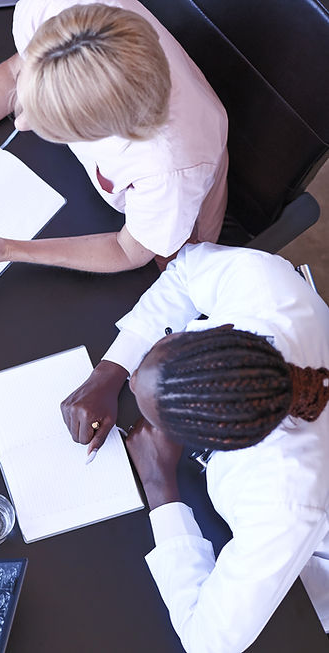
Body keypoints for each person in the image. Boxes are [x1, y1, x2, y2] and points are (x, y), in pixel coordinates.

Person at [60, 243, 329, 652]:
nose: (134, 385)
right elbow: (185, 272)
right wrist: (112, 371)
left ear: (215, 442)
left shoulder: (284, 500)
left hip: (303, 583)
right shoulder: (262, 283)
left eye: (157, 416)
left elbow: (209, 641)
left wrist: (159, 485)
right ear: (222, 329)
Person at [0, 0, 227, 282]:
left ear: (98, 133)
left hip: (166, 217)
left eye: (49, 123)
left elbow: (129, 250)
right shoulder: (54, 7)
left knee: (177, 279)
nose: (22, 121)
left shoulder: (168, 172)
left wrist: (8, 250)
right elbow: (14, 73)